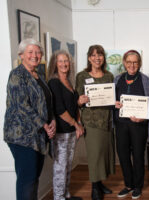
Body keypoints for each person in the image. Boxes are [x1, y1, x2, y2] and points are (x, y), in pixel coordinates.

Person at [4, 38, 56, 200]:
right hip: (22, 137)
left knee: (33, 178)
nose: (35, 55)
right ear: (21, 55)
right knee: (27, 180)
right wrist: (45, 125)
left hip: (39, 135)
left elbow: (46, 102)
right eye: (30, 52)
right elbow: (21, 106)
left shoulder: (38, 75)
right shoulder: (17, 75)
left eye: (38, 52)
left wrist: (52, 120)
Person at [114, 50, 149, 199]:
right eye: (129, 62)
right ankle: (128, 184)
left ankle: (138, 186)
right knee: (123, 155)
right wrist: (115, 104)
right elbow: (112, 101)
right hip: (121, 124)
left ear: (139, 64)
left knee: (138, 155)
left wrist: (143, 118)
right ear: (124, 63)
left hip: (139, 125)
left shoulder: (145, 80)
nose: (132, 65)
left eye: (135, 62)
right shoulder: (117, 79)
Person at [75, 45, 115, 200]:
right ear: (89, 57)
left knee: (104, 154)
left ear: (103, 58)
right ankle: (94, 188)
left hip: (107, 121)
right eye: (93, 55)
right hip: (91, 122)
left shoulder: (109, 76)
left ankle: (100, 183)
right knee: (95, 155)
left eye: (100, 55)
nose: (97, 58)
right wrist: (79, 101)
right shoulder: (82, 76)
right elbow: (77, 100)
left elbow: (111, 98)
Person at [48, 50, 85, 200]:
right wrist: (77, 125)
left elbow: (73, 106)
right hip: (61, 131)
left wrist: (79, 103)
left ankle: (66, 194)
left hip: (70, 131)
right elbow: (60, 110)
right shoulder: (54, 82)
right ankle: (58, 197)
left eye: (66, 61)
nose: (64, 64)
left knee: (68, 164)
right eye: (60, 61)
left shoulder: (69, 82)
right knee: (60, 167)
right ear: (55, 64)